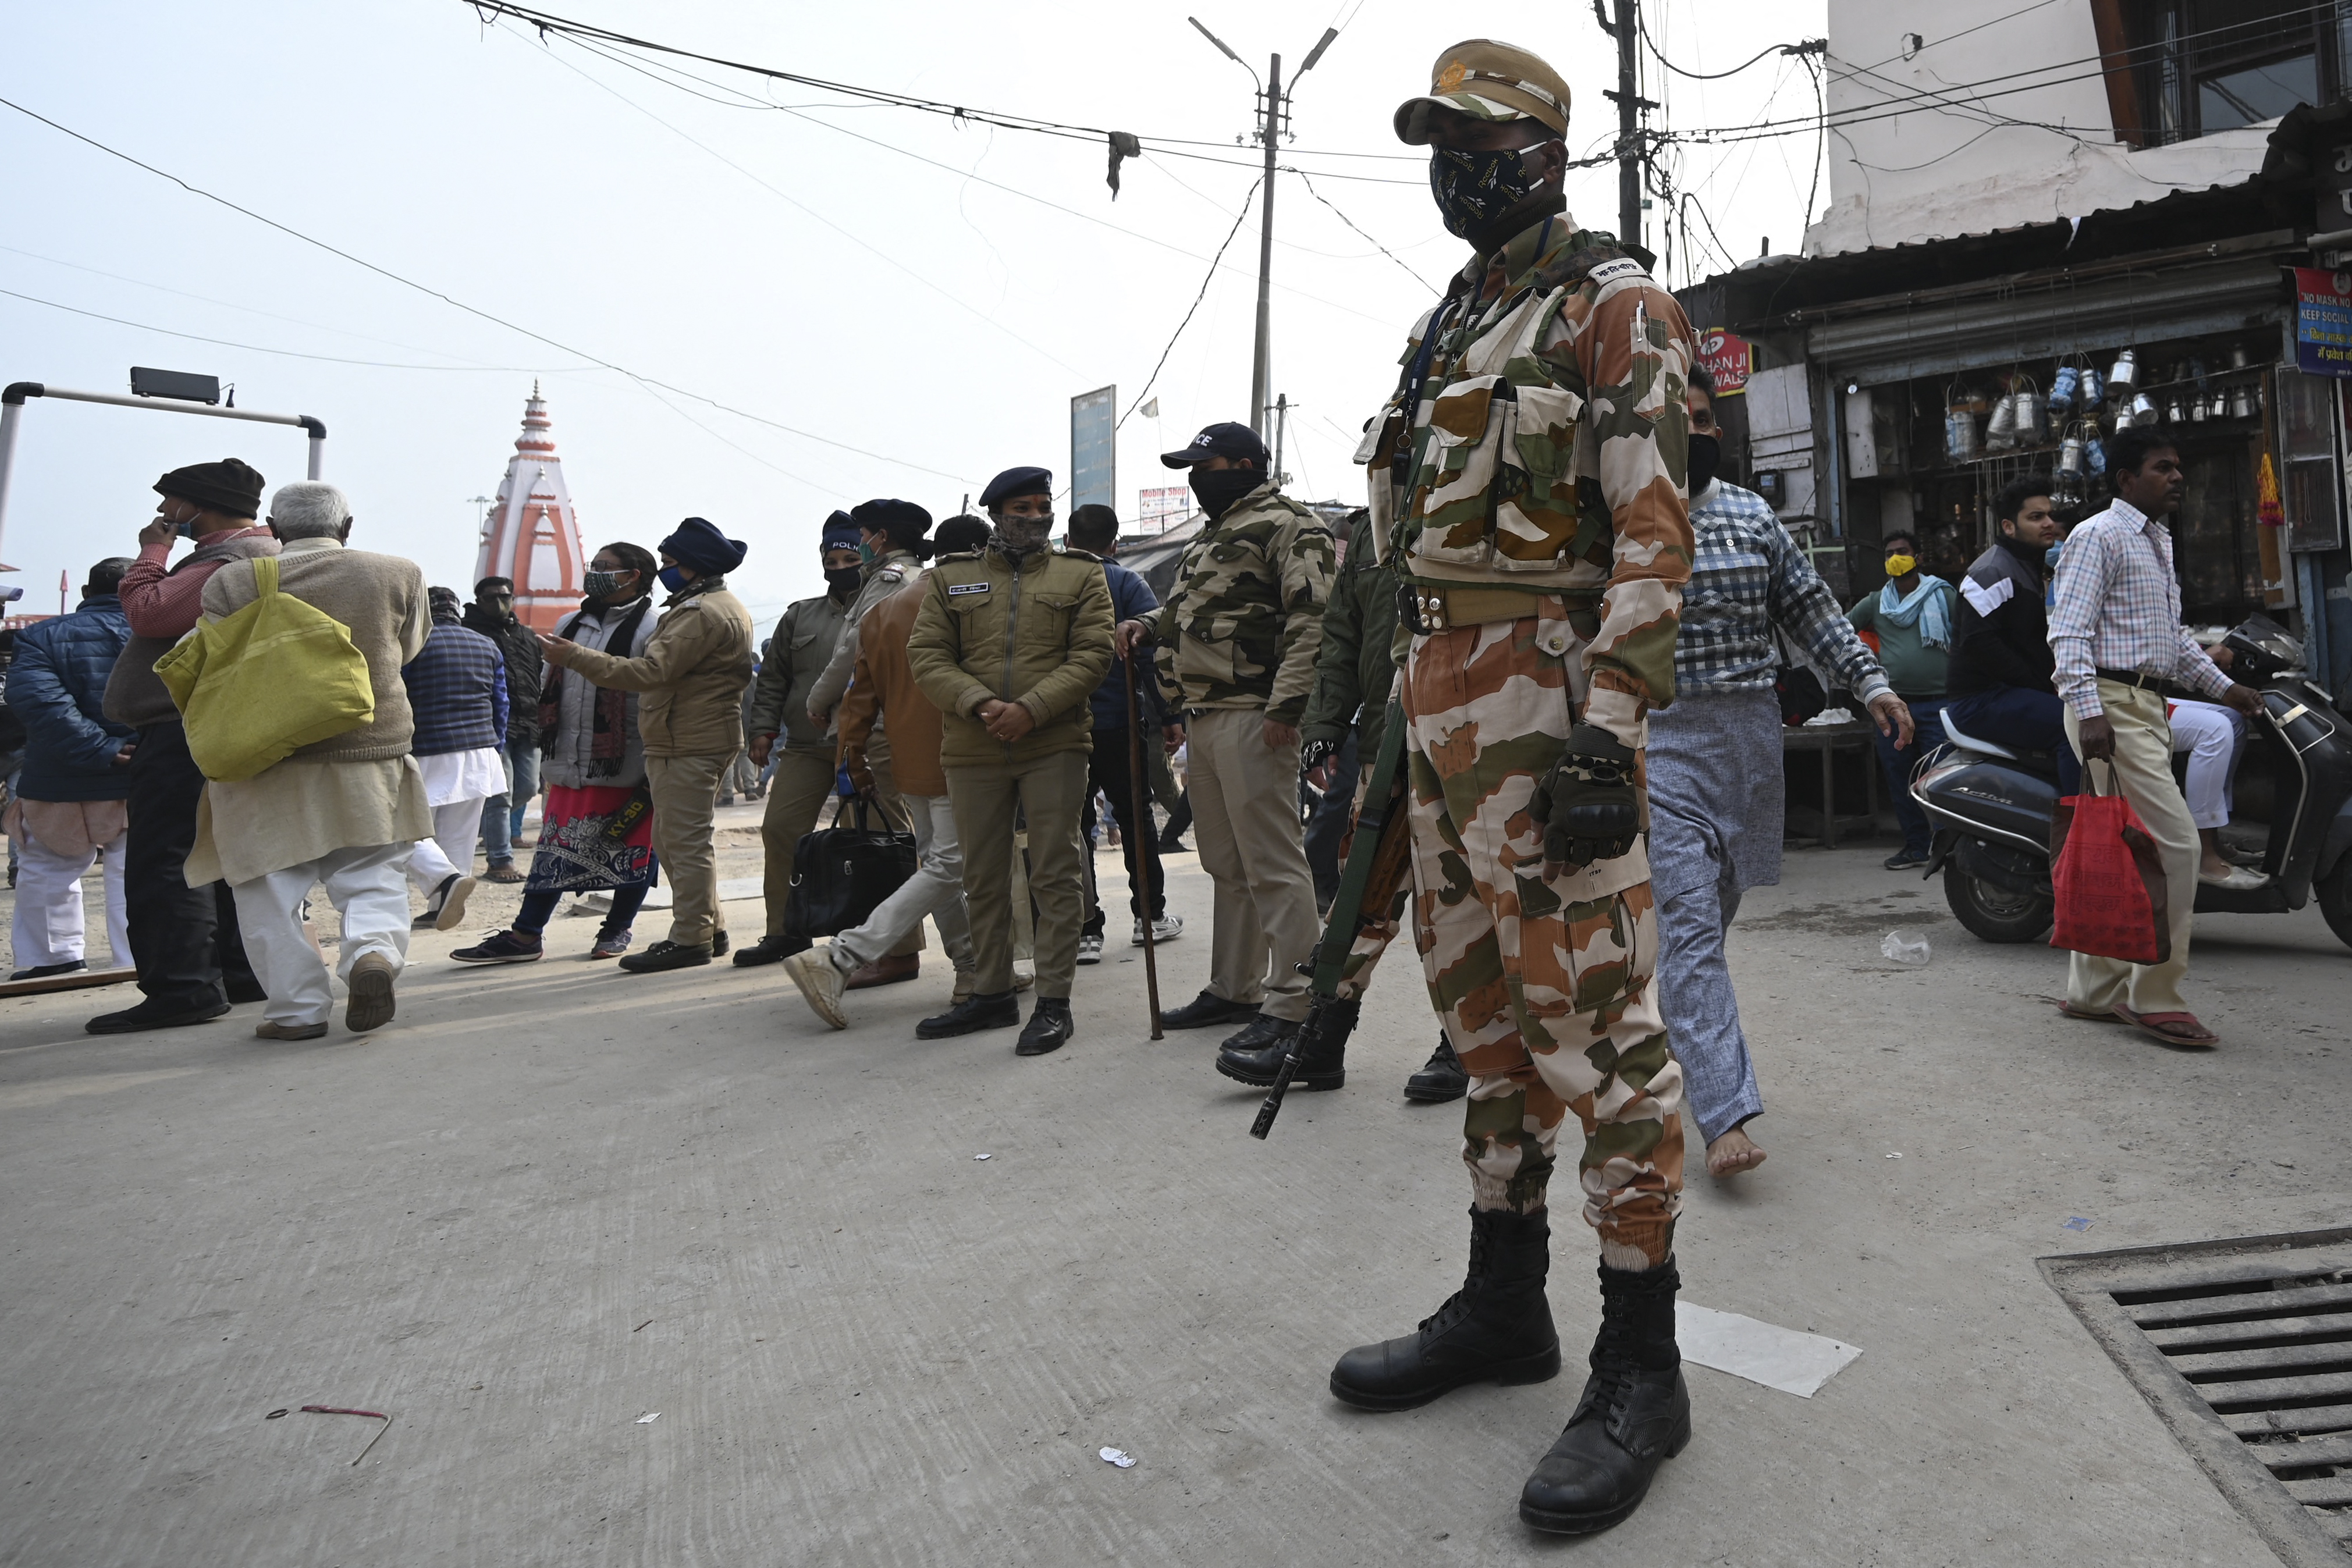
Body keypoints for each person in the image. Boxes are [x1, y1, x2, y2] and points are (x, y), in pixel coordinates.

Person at [1323, 43, 1697, 1535]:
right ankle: (1502, 1308)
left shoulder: (1614, 305)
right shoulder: (1447, 324)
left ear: (1545, 151)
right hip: (1436, 719)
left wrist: (1608, 732)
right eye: (1435, 146)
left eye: (1476, 145)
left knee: (1597, 1036)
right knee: (1481, 1026)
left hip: (1548, 715)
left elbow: (1652, 535)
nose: (1450, 171)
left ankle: (1642, 1365)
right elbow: (1403, 549)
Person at [1648, 368, 1909, 1181]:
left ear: (1716, 434)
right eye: (1673, 419)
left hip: (1748, 743)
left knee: (1703, 927)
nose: (1690, 431)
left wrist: (1871, 684)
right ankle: (1724, 1111)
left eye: (1700, 418)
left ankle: (1666, 1037)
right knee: (1690, 930)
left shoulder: (1752, 514)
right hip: (1655, 740)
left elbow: (1811, 612)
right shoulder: (1617, 522)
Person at [1221, 503, 1467, 1104]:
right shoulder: (1371, 530)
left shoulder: (1479, 505)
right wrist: (1326, 722)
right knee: (1360, 898)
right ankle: (1318, 1040)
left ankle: (1466, 1044)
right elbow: (1342, 631)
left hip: (1470, 747)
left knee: (1459, 907)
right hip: (1386, 746)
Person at [1112, 422, 1331, 1057]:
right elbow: (1192, 613)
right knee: (1226, 864)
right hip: (1205, 714)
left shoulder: (1290, 524)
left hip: (1255, 711)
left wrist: (1288, 705)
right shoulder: (1213, 534)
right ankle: (1235, 988)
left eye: (1204, 467)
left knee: (1272, 862)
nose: (1194, 479)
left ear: (1243, 463)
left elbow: (1311, 617)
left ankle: (1296, 1002)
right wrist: (1146, 624)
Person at [185, 483, 430, 1040]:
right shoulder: (398, 572)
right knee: (372, 873)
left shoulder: (232, 580)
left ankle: (296, 1011)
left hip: (263, 755)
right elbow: (409, 647)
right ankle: (371, 955)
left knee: (266, 886)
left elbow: (216, 661)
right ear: (347, 526)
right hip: (371, 748)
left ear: (273, 528)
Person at [2049, 425, 2265, 1047]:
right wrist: (2089, 710)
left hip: (2142, 701)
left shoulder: (2157, 541)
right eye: (2162, 467)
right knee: (2178, 847)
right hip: (2108, 705)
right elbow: (2068, 634)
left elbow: (2169, 642)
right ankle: (2155, 996)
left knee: (2120, 845)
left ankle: (2092, 994)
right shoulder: (2098, 535)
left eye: (2177, 467)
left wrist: (2226, 691)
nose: (2176, 477)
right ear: (2125, 480)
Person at [905, 465, 1113, 1055]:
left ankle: (1053, 1002)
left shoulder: (1081, 574)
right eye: (1020, 507)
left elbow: (1093, 653)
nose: (1034, 516)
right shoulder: (953, 578)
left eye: (1042, 506)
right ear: (997, 514)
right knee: (982, 874)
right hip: (973, 745)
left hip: (1053, 743)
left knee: (1054, 871)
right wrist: (979, 703)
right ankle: (990, 992)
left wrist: (1031, 708)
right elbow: (927, 655)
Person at [87, 459, 275, 1033]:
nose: (165, 515)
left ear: (201, 505)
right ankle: (240, 975)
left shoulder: (227, 559)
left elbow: (149, 614)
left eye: (172, 504)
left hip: (183, 727)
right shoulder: (270, 553)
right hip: (233, 723)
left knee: (169, 858)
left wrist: (151, 554)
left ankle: (183, 988)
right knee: (226, 855)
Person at [784, 514, 989, 1026]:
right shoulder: (971, 604)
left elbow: (859, 693)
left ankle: (972, 968)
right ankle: (840, 957)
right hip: (961, 755)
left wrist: (850, 758)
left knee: (938, 864)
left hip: (906, 758)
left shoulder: (882, 609)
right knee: (949, 866)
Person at [541, 517, 755, 973]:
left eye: (672, 562)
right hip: (687, 736)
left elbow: (648, 673)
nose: (665, 571)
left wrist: (574, 656)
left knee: (684, 841)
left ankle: (690, 936)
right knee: (676, 840)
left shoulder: (700, 614)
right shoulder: (705, 605)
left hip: (690, 740)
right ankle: (707, 926)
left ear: (695, 566)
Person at [453, 543, 662, 963]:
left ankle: (618, 928)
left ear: (634, 575)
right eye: (594, 566)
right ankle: (526, 934)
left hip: (628, 763)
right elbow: (552, 685)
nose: (595, 573)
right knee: (554, 850)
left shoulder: (656, 627)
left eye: (605, 567)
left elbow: (656, 690)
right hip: (569, 762)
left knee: (635, 848)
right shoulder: (571, 623)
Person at [783, 497, 936, 984]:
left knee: (885, 842)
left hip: (881, 728)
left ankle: (897, 954)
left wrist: (820, 696)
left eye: (864, 536)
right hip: (897, 722)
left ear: (881, 539)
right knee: (903, 840)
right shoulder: (918, 580)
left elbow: (855, 648)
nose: (860, 546)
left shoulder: (890, 582)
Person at [737, 515, 865, 969]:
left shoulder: (887, 605)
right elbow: (772, 679)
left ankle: (872, 940)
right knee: (781, 829)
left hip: (867, 746)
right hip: (807, 745)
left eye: (851, 558)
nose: (840, 567)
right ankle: (785, 931)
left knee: (870, 838)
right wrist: (762, 730)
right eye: (832, 560)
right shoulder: (800, 614)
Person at [5, 558, 136, 980]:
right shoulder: (161, 635)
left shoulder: (39, 637)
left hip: (57, 778)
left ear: (84, 593)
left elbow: (39, 703)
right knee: (133, 870)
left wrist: (98, 748)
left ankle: (53, 959)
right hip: (140, 772)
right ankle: (136, 957)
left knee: (47, 867)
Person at [1064, 503, 1181, 964]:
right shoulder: (1127, 583)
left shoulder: (1054, 580)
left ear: (1068, 540)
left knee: (1075, 826)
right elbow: (1152, 652)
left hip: (1064, 725)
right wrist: (1169, 713)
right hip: (1118, 721)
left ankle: (1086, 930)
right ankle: (1149, 918)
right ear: (1115, 543)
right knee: (1135, 818)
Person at [1944, 478, 2078, 797]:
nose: (2048, 523)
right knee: (2074, 727)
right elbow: (1979, 643)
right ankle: (2083, 828)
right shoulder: (1992, 571)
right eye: (2036, 517)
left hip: (2009, 692)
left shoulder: (2027, 566)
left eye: (2049, 515)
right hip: (1981, 699)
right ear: (2008, 526)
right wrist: (2038, 683)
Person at [397, 586, 502, 932]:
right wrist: (495, 746)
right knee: (460, 834)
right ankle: (442, 907)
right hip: (481, 751)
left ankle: (443, 881)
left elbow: (399, 699)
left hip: (428, 750)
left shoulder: (411, 645)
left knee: (403, 830)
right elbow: (501, 703)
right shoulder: (487, 644)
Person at [1847, 529, 1953, 869]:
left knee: (1941, 777)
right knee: (1901, 778)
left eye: (1902, 551)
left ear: (1918, 557)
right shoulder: (1877, 602)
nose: (1895, 557)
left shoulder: (1943, 594)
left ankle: (1947, 847)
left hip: (1940, 704)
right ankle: (1916, 846)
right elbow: (1841, 630)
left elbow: (1968, 636)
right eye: (1889, 552)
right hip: (1894, 706)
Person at [464, 576, 545, 883]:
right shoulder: (470, 633)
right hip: (491, 725)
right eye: (491, 598)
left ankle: (488, 826)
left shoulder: (525, 635)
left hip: (529, 723)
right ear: (478, 600)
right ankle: (500, 861)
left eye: (505, 596)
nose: (499, 603)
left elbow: (538, 674)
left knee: (527, 788)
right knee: (502, 794)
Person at [2167, 694, 2263, 889]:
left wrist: (2229, 689)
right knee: (2215, 731)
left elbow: (2189, 664)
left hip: (2146, 695)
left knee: (2234, 720)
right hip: (2117, 700)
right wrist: (2228, 688)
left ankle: (2213, 840)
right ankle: (2203, 855)